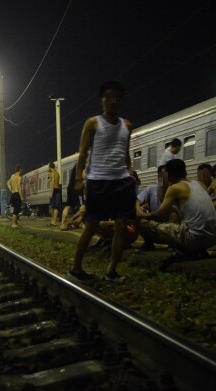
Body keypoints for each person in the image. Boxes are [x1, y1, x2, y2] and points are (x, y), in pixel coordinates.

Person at [69, 80, 136, 284]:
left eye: (116, 96)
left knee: (121, 226)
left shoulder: (127, 125)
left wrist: (130, 171)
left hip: (122, 181)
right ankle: (76, 268)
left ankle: (112, 271)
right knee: (91, 225)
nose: (112, 100)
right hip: (99, 180)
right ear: (102, 100)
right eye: (108, 96)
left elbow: (124, 153)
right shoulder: (93, 123)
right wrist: (79, 178)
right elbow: (82, 153)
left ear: (120, 99)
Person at [137, 159, 216, 259]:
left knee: (145, 223)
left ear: (169, 174)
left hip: (195, 238)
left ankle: (185, 249)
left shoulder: (174, 188)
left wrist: (142, 215)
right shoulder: (199, 184)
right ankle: (196, 250)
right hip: (214, 237)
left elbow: (159, 214)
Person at [134, 164, 169, 251]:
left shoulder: (175, 190)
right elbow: (137, 203)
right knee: (134, 215)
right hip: (154, 225)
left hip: (170, 228)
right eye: (161, 175)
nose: (164, 178)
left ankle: (174, 244)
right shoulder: (151, 189)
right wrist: (141, 214)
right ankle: (148, 242)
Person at [60, 162, 84, 230]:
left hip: (70, 187)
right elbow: (83, 176)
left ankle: (63, 224)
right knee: (82, 205)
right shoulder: (82, 166)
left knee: (67, 205)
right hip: (78, 189)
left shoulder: (76, 166)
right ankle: (84, 224)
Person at [47, 162, 61, 227]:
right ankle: (53, 221)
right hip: (58, 190)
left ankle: (54, 222)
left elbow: (52, 184)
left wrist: (51, 193)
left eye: (48, 166)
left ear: (50, 167)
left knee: (53, 207)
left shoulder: (52, 174)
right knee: (55, 207)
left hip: (54, 190)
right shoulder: (57, 173)